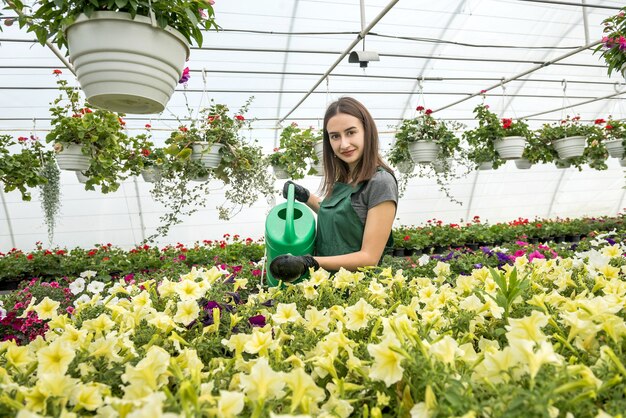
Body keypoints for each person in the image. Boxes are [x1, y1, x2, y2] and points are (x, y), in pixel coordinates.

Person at [269, 97, 398, 282]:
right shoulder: (344, 180)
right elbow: (339, 218)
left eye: (351, 132)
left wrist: (309, 262)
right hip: (327, 287)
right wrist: (306, 196)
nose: (343, 144)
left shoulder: (380, 183)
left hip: (357, 292)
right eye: (335, 136)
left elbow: (369, 258)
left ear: (367, 132)